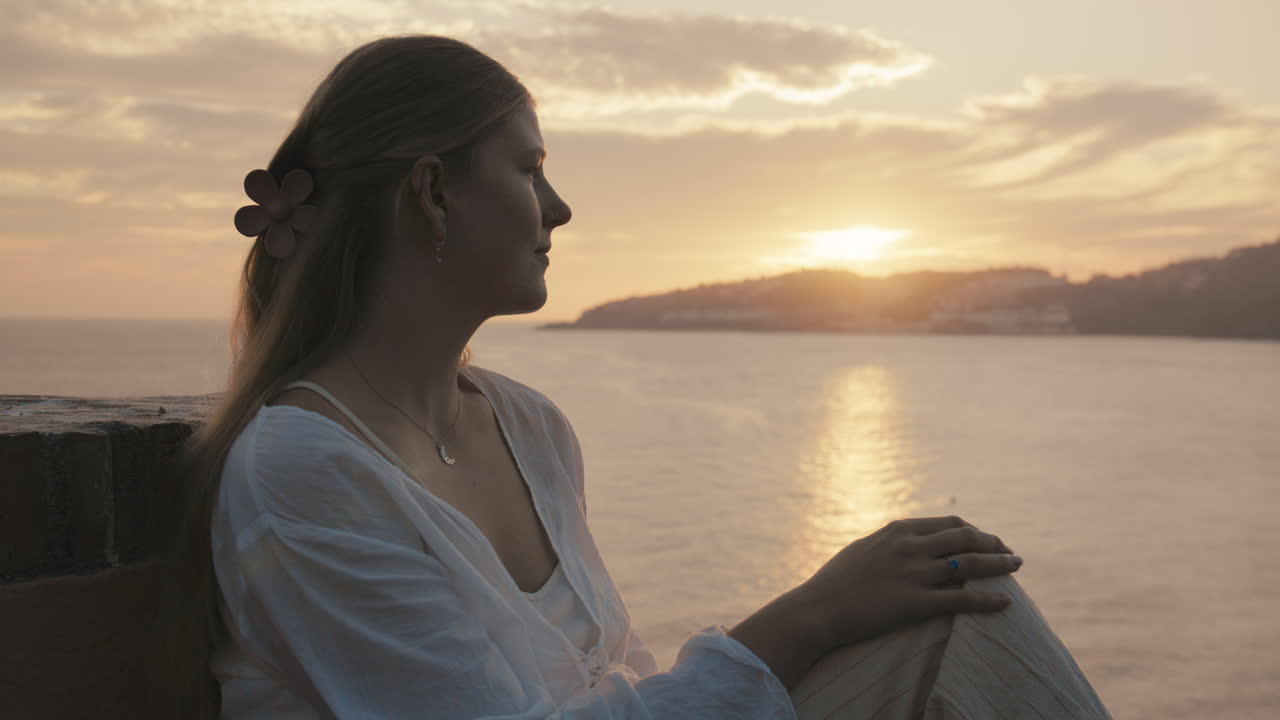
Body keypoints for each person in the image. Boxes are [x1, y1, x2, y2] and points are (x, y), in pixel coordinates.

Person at [165, 35, 1112, 719]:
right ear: (433, 192)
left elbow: (616, 680)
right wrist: (812, 615)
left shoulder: (527, 428)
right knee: (954, 628)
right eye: (528, 169)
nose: (559, 206)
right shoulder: (303, 470)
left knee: (951, 611)